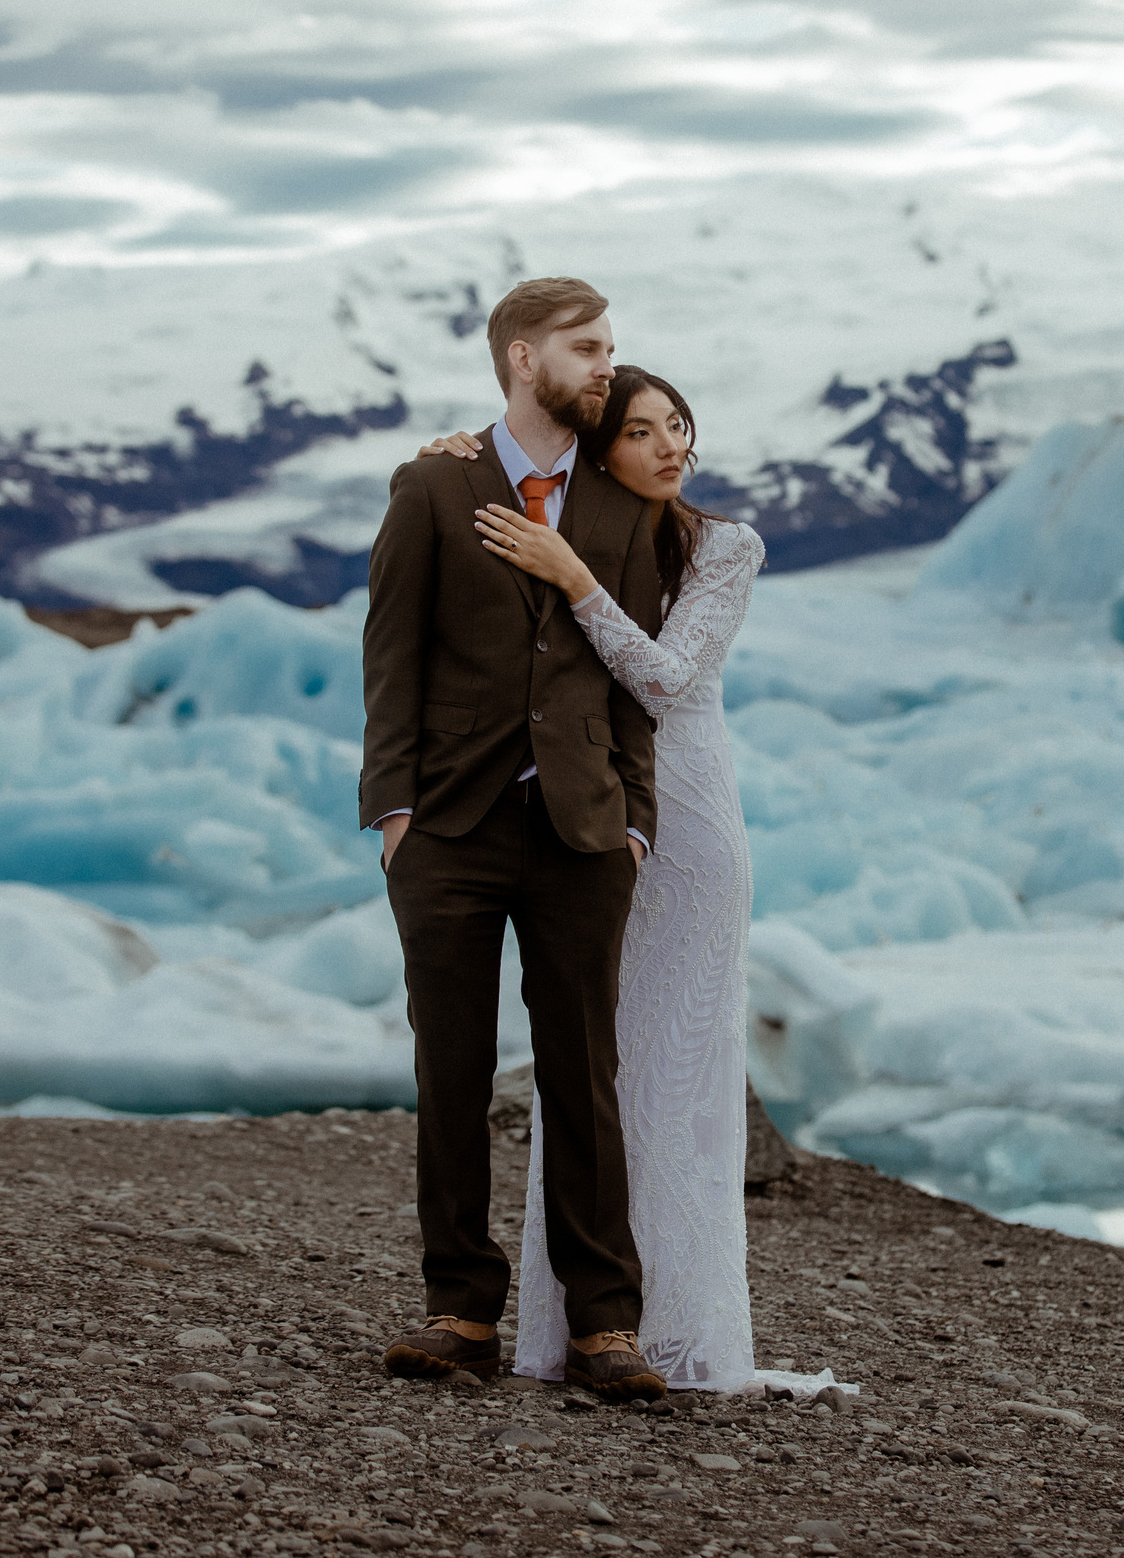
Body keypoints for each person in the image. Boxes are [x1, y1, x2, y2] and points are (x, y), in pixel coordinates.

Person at [414, 363, 768, 1391]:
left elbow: (663, 678)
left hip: (688, 830)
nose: (670, 448)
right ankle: (577, 1322)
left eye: (679, 428)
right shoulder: (563, 521)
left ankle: (679, 1324)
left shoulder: (722, 546)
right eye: (643, 431)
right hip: (586, 819)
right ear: (595, 448)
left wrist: (572, 577)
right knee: (594, 1068)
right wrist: (460, 451)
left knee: (673, 1069)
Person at [360, 277, 669, 1402]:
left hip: (583, 831)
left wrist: (635, 815)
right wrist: (393, 812)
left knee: (584, 1073)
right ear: (520, 357)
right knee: (451, 1069)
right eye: (587, 349)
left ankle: (604, 1326)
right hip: (448, 824)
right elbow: (390, 652)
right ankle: (458, 1312)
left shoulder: (622, 502)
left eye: (611, 348)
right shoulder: (434, 486)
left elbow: (636, 677)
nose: (605, 365)